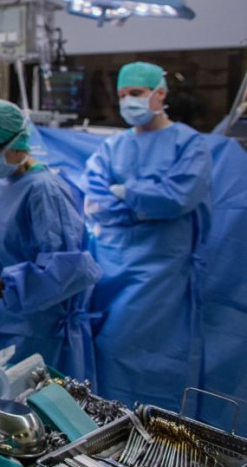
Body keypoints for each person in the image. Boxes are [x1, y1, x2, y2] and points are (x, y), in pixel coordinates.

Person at [81, 61, 212, 410]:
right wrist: (143, 202)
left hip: (162, 271)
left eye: (136, 94)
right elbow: (97, 201)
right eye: (123, 95)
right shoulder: (111, 148)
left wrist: (126, 193)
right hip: (110, 265)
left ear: (160, 94)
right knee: (110, 349)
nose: (128, 102)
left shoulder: (189, 144)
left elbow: (178, 198)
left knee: (160, 357)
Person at [0, 100, 101, 380]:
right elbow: (5, 239)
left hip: (38, 329)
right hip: (0, 319)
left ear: (19, 144)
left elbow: (61, 270)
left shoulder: (45, 191)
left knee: (37, 410)